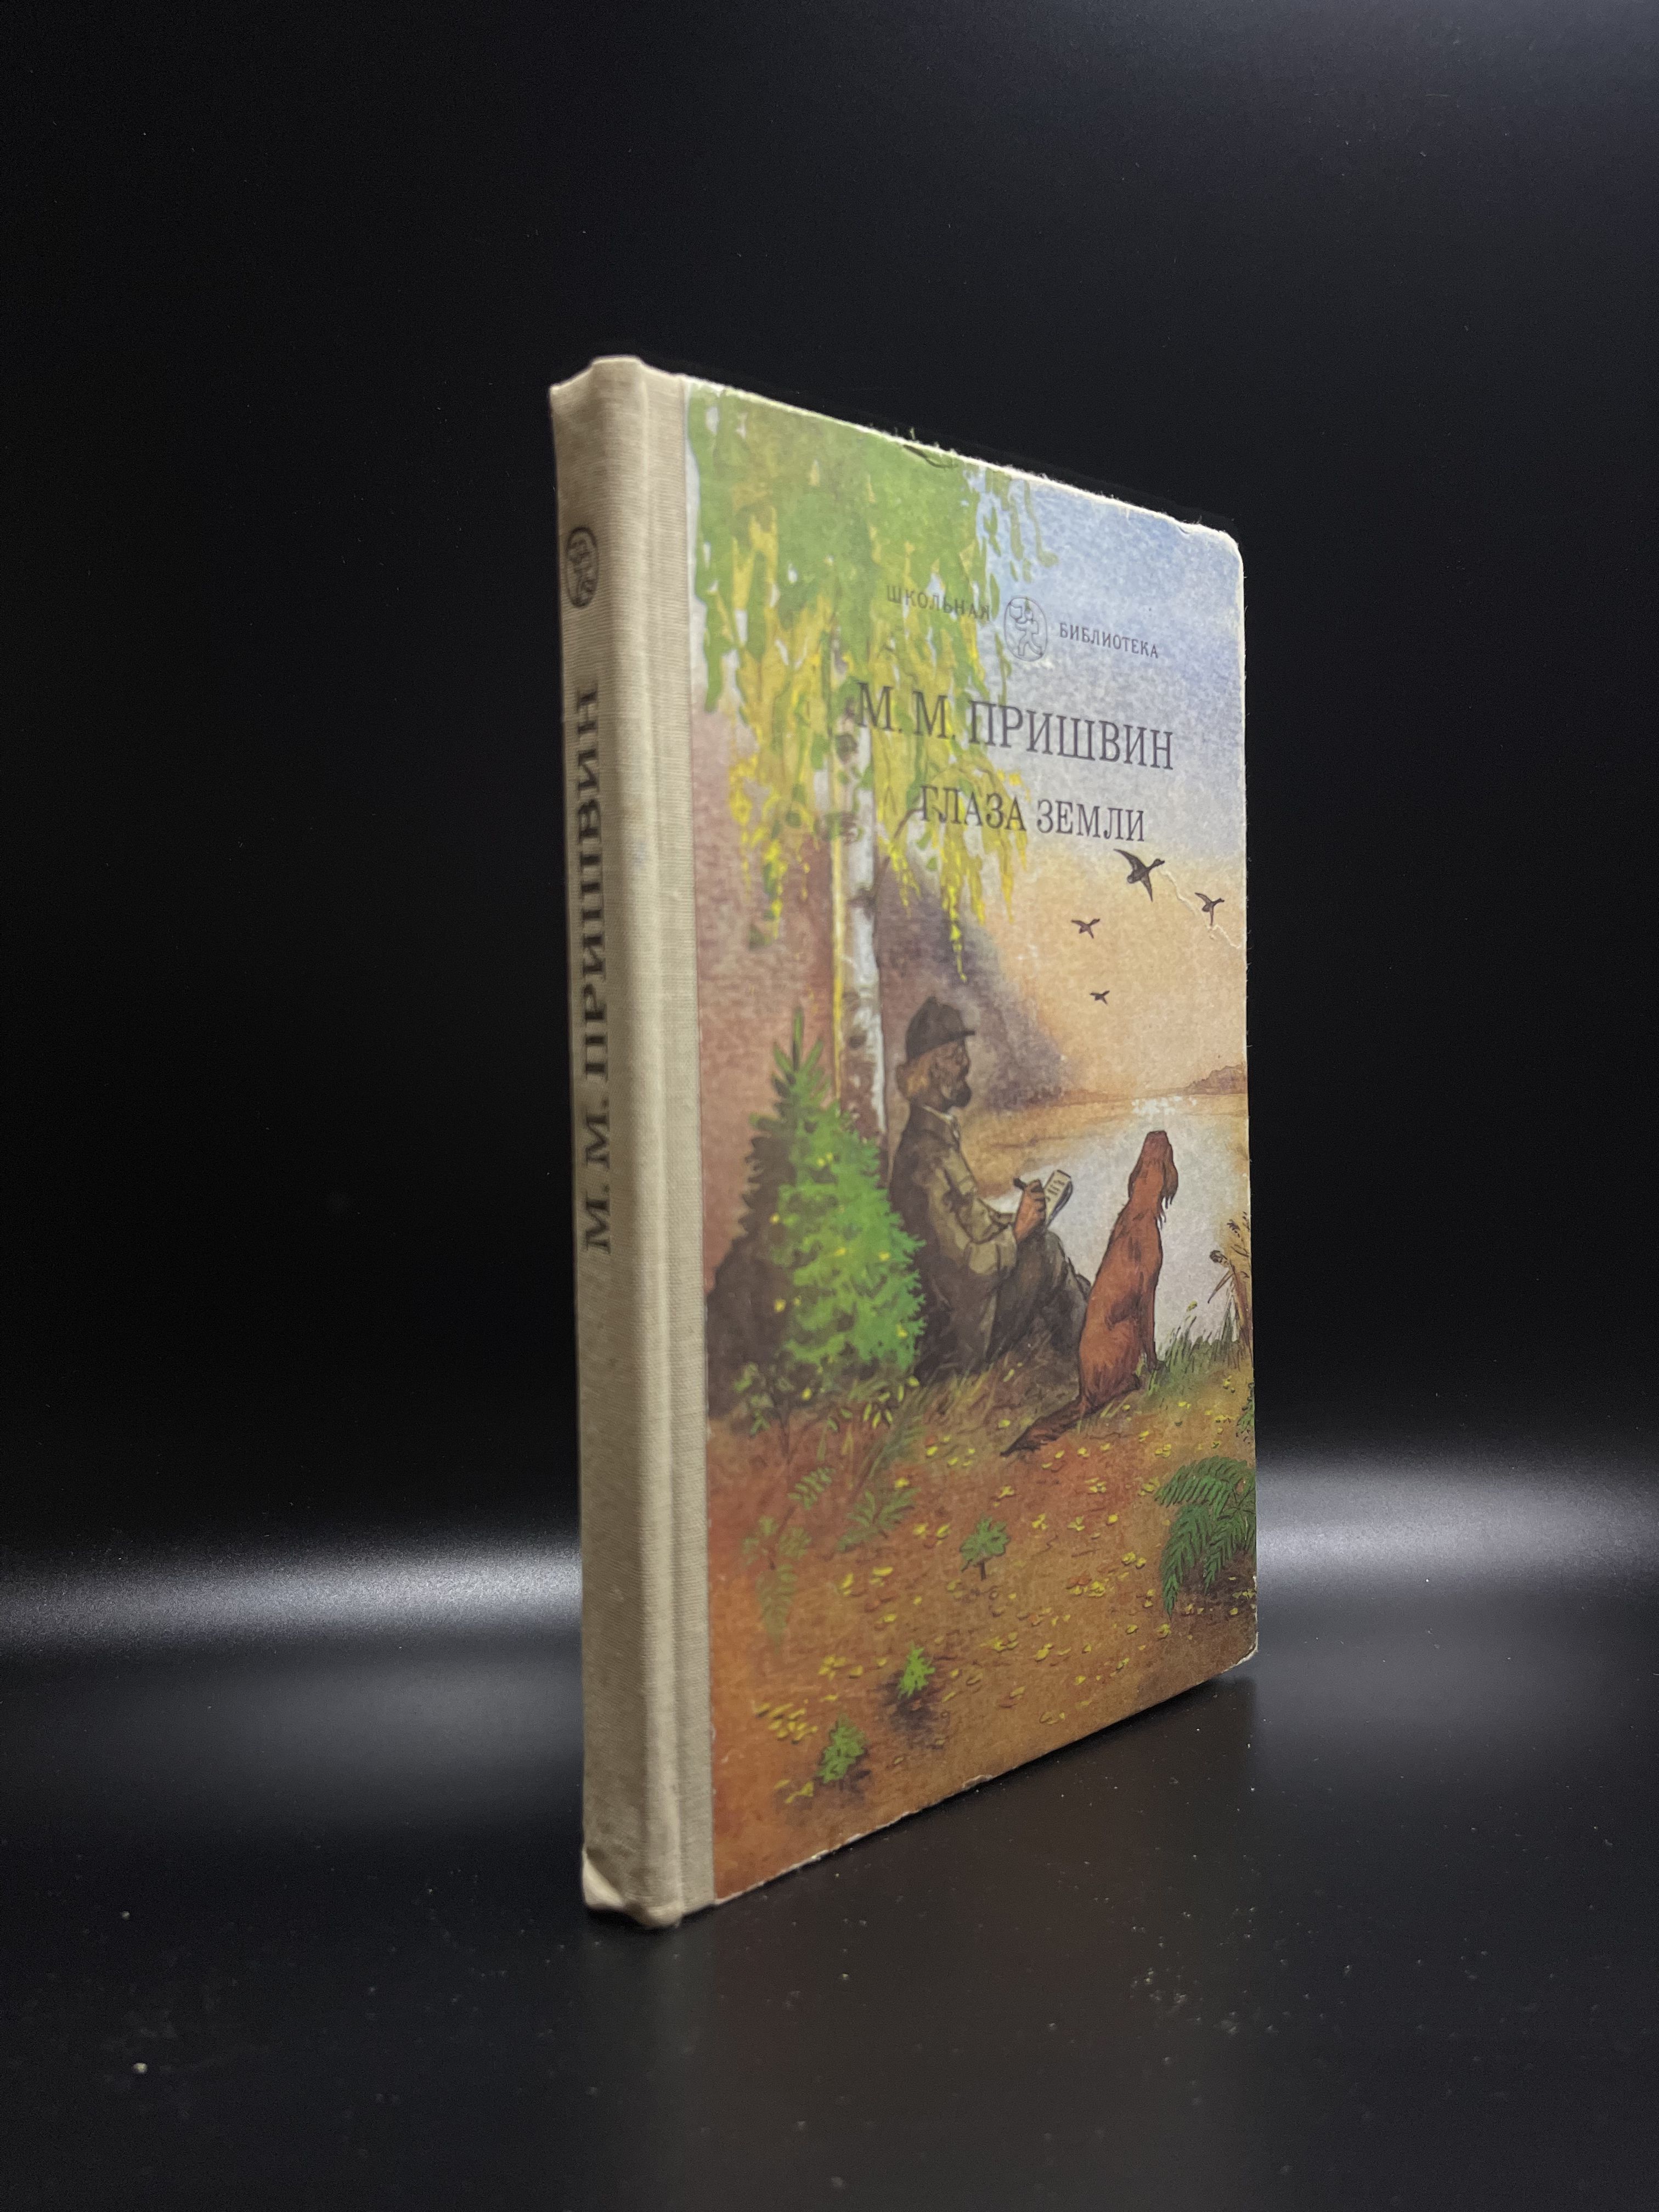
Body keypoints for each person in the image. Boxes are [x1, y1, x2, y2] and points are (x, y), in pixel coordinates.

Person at [888, 997, 1087, 1378]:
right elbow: (964, 1271)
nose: (966, 1063)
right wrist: (1018, 1233)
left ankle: (1089, 1343)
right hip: (958, 1339)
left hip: (967, 1317)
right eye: (955, 1055)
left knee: (1050, 1255)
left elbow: (971, 1219)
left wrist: (1018, 1220)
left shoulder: (935, 1140)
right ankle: (1087, 1356)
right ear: (931, 1070)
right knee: (1046, 1251)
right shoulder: (924, 1161)